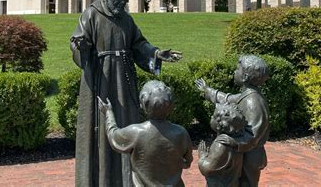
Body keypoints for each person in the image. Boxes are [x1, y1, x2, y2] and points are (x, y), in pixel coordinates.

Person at [70, 0, 182, 187]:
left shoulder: (126, 20)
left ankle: (126, 180)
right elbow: (78, 42)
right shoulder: (91, 14)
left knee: (126, 123)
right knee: (101, 126)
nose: (122, 2)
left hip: (124, 79)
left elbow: (139, 44)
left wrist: (156, 53)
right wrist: (82, 47)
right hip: (100, 80)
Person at [98, 80, 193, 187]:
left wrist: (108, 113)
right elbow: (187, 163)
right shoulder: (181, 133)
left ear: (143, 105)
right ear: (171, 106)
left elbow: (113, 136)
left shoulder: (135, 132)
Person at [195, 55, 270, 187]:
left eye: (238, 69)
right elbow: (227, 99)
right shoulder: (246, 95)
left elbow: (253, 136)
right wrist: (208, 91)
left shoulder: (253, 102)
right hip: (243, 153)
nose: (234, 72)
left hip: (250, 157)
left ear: (245, 77)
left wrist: (233, 142)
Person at [198, 102, 246, 187]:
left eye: (213, 116)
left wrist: (202, 155)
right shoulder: (236, 140)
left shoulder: (221, 145)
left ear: (220, 125)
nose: (211, 117)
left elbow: (207, 169)